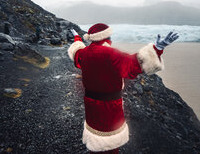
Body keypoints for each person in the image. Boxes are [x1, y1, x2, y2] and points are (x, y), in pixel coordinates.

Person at [68, 23, 179, 153]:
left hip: (90, 104)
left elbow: (76, 53)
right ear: (105, 38)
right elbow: (135, 63)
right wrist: (157, 48)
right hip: (110, 106)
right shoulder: (112, 54)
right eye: (110, 37)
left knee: (95, 136)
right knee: (111, 139)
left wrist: (77, 39)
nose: (111, 40)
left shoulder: (84, 53)